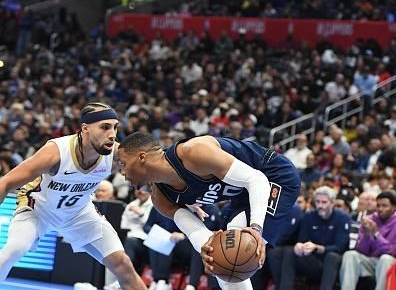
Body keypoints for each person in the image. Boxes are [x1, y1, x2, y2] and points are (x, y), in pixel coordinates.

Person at [117, 132, 301, 290]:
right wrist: (207, 250)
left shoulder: (193, 153)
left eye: (122, 164)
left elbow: (256, 179)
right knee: (222, 260)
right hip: (241, 195)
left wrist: (256, 229)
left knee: (237, 251)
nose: (122, 173)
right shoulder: (161, 198)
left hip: (273, 175)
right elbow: (196, 231)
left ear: (142, 157)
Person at [0, 102, 147, 290]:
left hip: (79, 213)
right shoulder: (56, 151)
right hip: (38, 209)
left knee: (123, 265)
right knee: (15, 249)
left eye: (115, 127)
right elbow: (6, 182)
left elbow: (153, 171)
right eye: (104, 127)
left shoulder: (117, 154)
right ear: (85, 129)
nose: (112, 134)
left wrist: (180, 199)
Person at [275, 186, 351, 290]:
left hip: (334, 264)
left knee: (332, 257)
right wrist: (300, 246)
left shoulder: (343, 218)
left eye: (324, 202)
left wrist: (317, 247)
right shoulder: (309, 216)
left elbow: (340, 247)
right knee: (290, 251)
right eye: (318, 202)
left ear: (332, 203)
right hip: (314, 261)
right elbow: (302, 239)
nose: (320, 205)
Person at [339, 191, 396, 290]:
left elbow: (392, 251)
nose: (380, 209)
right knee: (350, 255)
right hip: (370, 261)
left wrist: (376, 234)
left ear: (394, 208)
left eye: (384, 206)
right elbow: (362, 250)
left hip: (390, 263)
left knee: (385, 259)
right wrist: (366, 235)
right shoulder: (369, 219)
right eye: (378, 205)